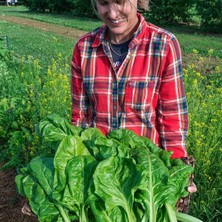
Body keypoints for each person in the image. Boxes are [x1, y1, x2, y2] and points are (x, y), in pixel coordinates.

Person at [22, 0, 196, 216]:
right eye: (104, 3)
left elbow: (172, 115)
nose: (112, 13)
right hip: (100, 178)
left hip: (145, 177)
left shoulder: (162, 44)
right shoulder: (84, 49)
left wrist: (179, 169)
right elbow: (81, 119)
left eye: (120, 2)